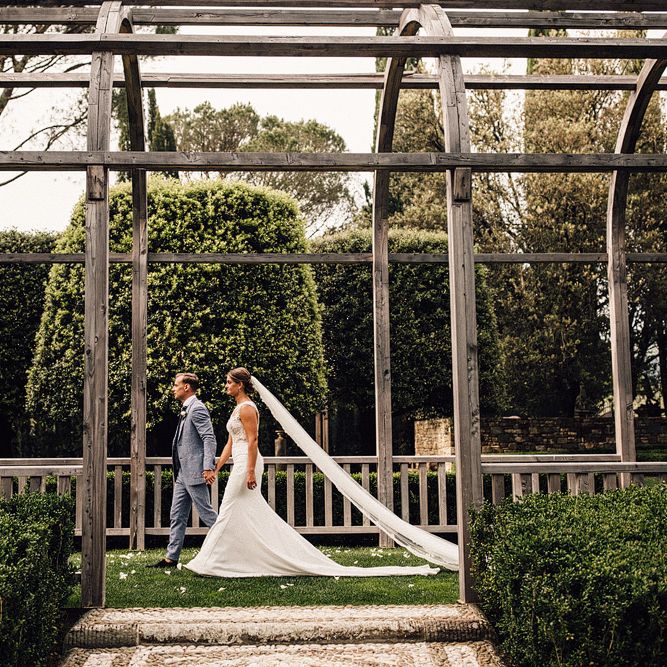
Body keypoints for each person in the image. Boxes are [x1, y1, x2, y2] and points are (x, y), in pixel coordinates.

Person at [185, 368, 442, 577]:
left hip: (248, 465)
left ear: (240, 385)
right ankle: (240, 557)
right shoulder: (236, 409)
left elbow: (252, 441)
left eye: (229, 383)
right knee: (243, 512)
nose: (225, 386)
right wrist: (217, 467)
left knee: (228, 509)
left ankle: (208, 561)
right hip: (240, 462)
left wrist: (251, 471)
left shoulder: (248, 409)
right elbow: (230, 443)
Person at [148, 372, 218, 568]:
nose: (173, 388)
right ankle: (171, 557)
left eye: (176, 384)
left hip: (194, 471)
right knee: (177, 515)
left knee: (207, 514)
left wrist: (207, 467)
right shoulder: (186, 408)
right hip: (182, 473)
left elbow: (209, 438)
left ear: (186, 387)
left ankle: (234, 547)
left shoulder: (197, 408)